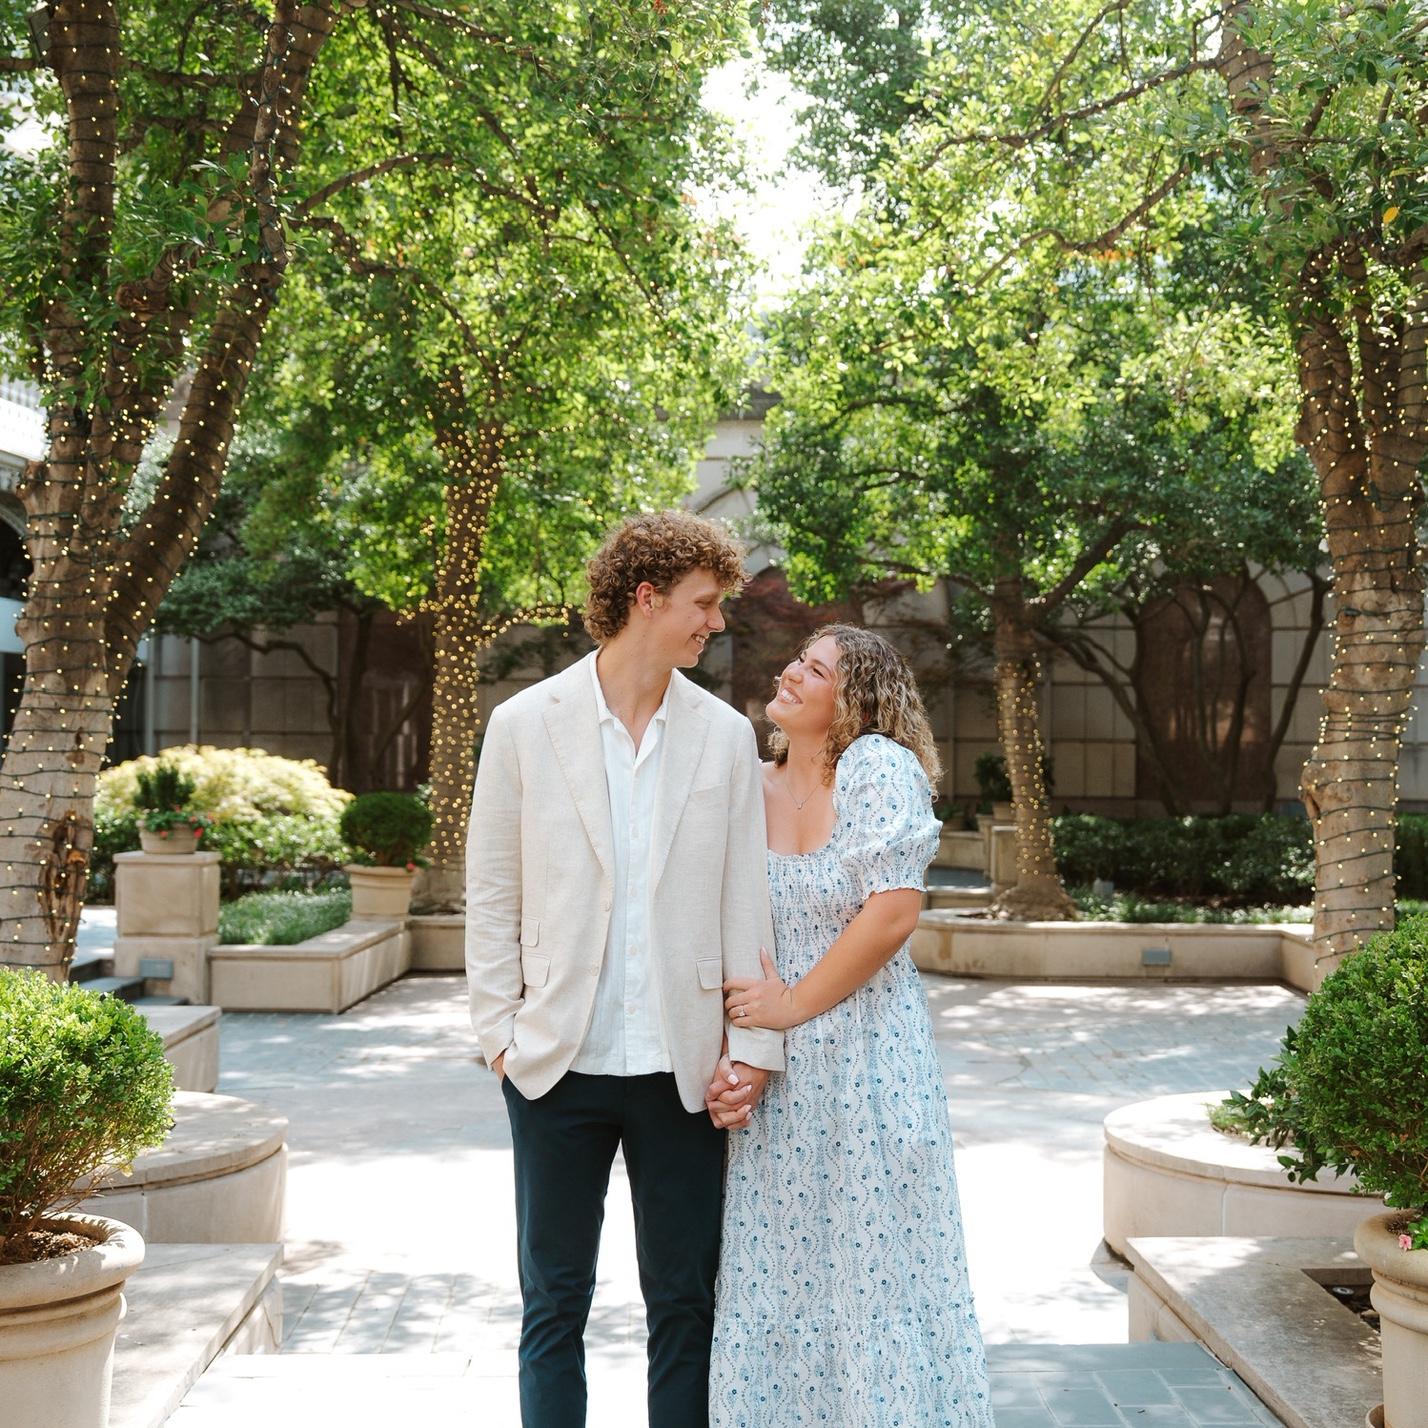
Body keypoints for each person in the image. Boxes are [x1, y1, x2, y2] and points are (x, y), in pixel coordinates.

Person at [465, 510, 784, 1428]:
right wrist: (499, 1035)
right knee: (553, 1303)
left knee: (684, 1303)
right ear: (646, 598)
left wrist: (751, 1050)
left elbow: (744, 898)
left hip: (684, 1069)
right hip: (554, 1063)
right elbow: (492, 888)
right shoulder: (524, 724)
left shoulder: (723, 734)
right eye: (703, 604)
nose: (715, 622)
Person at [707, 624, 993, 1428]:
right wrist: (738, 1051)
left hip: (870, 1061)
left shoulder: (875, 765)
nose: (791, 672)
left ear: (856, 700)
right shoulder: (746, 784)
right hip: (776, 1074)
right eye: (797, 659)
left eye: (816, 668)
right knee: (780, 1272)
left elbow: (892, 915)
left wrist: (793, 1005)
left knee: (880, 1271)